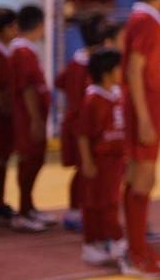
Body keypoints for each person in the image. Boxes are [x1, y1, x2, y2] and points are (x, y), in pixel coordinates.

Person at [121, 0, 160, 277]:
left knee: (142, 180)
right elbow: (133, 71)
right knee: (141, 180)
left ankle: (137, 247)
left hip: (150, 111)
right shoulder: (144, 21)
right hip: (144, 113)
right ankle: (135, 254)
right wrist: (143, 117)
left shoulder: (148, 19)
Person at [56, 14, 107, 232]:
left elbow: (60, 82)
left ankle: (78, 210)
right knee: (85, 169)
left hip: (74, 122)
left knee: (82, 170)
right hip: (83, 126)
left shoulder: (76, 63)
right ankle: (77, 211)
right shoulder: (94, 68)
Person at [77, 48, 127, 268]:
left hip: (116, 160)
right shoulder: (93, 99)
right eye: (119, 68)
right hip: (100, 161)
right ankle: (107, 242)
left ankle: (102, 241)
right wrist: (87, 161)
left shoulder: (116, 93)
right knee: (99, 202)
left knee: (109, 201)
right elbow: (83, 134)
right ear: (108, 72)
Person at [9, 4, 53, 232]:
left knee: (35, 161)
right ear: (38, 25)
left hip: (33, 117)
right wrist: (35, 119)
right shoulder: (22, 52)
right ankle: (24, 210)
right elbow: (26, 88)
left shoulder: (26, 51)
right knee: (29, 162)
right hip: (28, 119)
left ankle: (29, 206)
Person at [0, 7, 17, 226]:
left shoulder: (6, 51)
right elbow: (0, 89)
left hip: (3, 118)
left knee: (2, 160)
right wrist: (7, 109)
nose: (16, 30)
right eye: (11, 26)